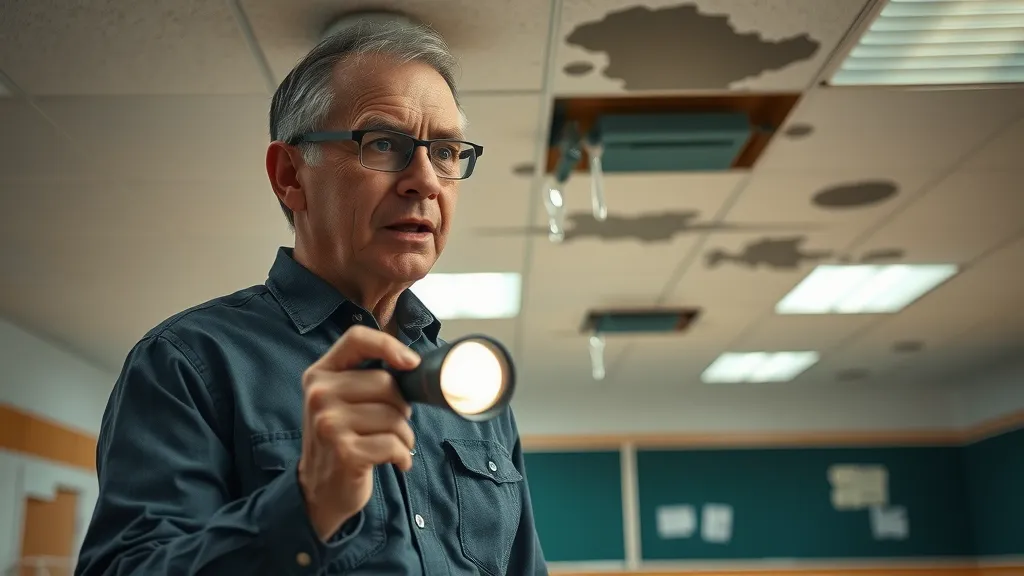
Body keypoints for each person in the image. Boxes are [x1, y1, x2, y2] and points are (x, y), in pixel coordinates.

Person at [74, 20, 548, 576]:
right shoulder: (187, 364)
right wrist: (305, 505)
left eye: (444, 151)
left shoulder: (471, 390)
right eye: (384, 144)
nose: (425, 180)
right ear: (290, 176)